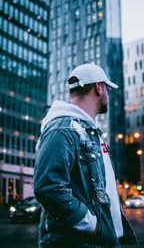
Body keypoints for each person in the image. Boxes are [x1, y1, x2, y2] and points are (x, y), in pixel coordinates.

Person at [34, 64, 137, 248]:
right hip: (82, 242)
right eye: (107, 89)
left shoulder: (86, 131)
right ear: (99, 87)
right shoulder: (63, 129)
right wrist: (93, 226)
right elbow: (48, 188)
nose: (107, 94)